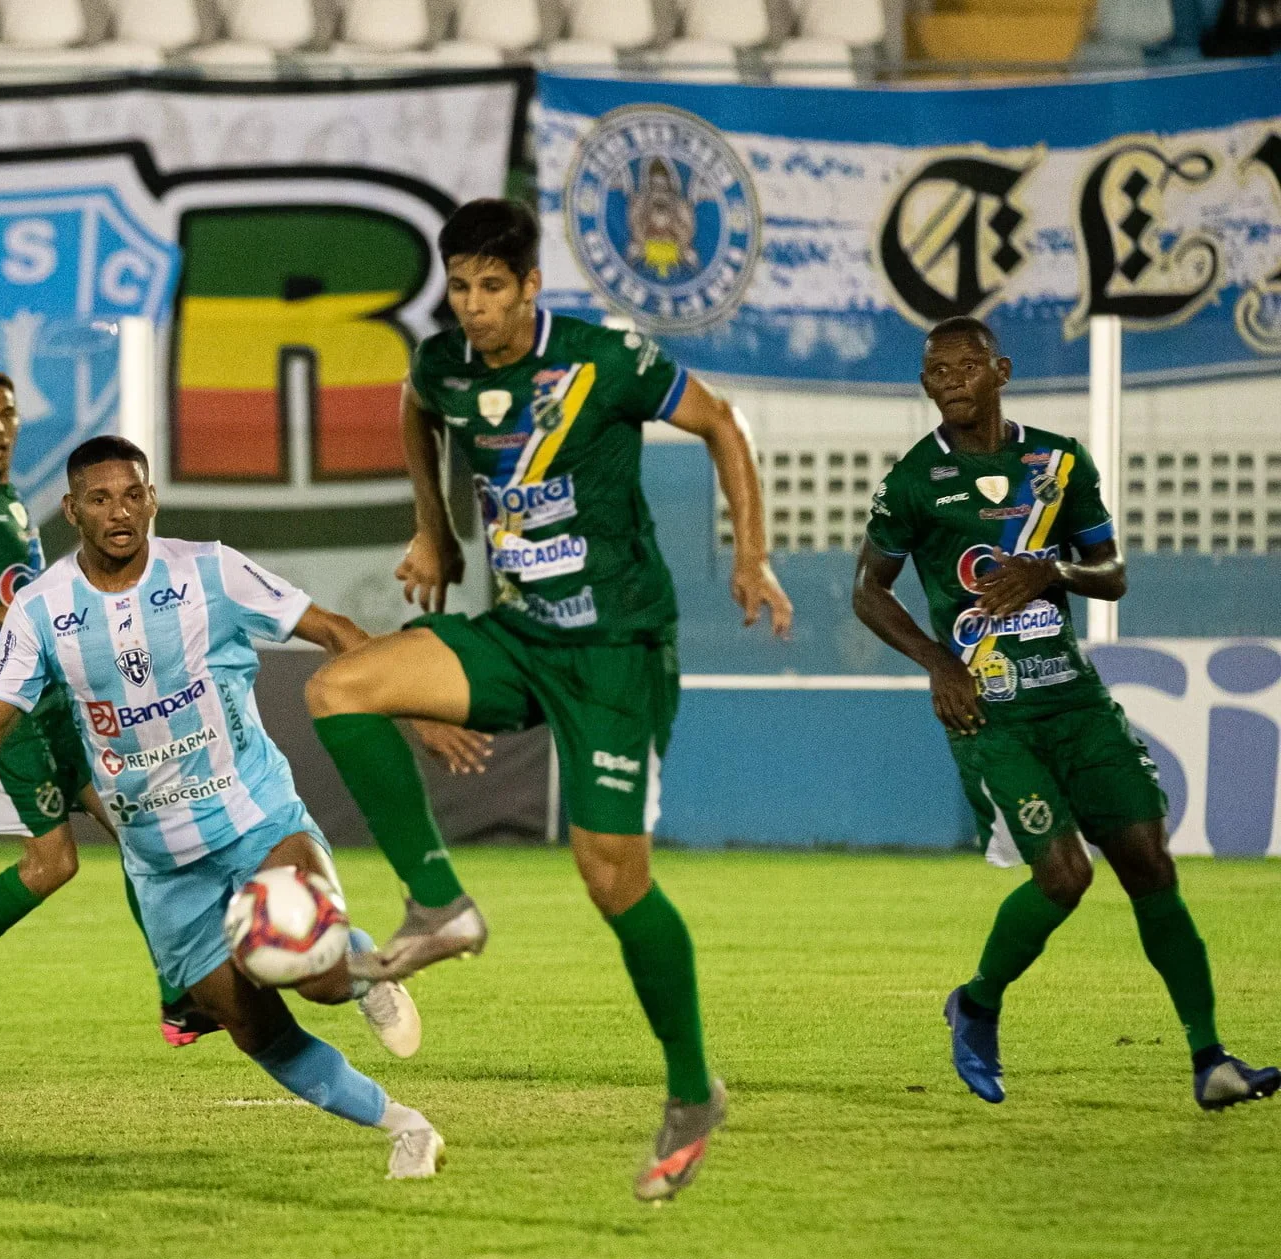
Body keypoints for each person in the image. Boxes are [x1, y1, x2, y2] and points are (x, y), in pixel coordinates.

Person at [302, 197, 794, 1203]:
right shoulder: (444, 367)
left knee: (611, 880)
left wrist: (750, 556)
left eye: (492, 287)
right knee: (339, 686)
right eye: (460, 287)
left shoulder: (604, 359)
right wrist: (432, 529)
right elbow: (414, 404)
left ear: (530, 287)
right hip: (519, 635)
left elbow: (720, 425)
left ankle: (690, 1088)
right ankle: (438, 902)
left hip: (615, 651)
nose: (473, 307)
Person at [0, 436, 484, 1179]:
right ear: (72, 511)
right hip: (161, 864)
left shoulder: (210, 573)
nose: (119, 511)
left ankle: (367, 971)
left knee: (320, 978)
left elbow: (337, 632)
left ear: (153, 498)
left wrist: (416, 701)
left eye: (133, 494)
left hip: (254, 815)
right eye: (99, 499)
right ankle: (405, 1126)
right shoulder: (40, 611)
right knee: (253, 1026)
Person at [852, 315, 1278, 1112]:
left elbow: (1111, 572)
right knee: (1065, 876)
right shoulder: (913, 481)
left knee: (1151, 866)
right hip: (993, 712)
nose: (947, 381)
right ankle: (976, 1002)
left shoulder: (1057, 462)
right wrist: (940, 663)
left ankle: (1209, 1059)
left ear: (1000, 370)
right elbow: (866, 591)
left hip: (1074, 700)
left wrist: (1054, 573)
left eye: (964, 366)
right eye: (933, 371)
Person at [0, 369, 214, 1053]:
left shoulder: (7, 498)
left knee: (141, 838)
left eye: (6, 414)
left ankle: (178, 997)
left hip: (55, 698)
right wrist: (20, 619)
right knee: (53, 864)